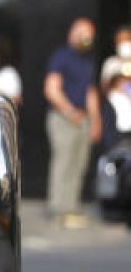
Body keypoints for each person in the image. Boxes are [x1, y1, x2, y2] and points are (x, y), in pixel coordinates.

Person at [44, 17, 103, 228]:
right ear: (72, 33)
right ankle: (58, 209)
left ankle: (71, 208)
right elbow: (51, 89)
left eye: (89, 34)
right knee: (64, 162)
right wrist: (70, 112)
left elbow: (90, 92)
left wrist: (95, 120)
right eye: (82, 32)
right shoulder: (62, 57)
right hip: (63, 118)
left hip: (83, 119)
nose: (86, 38)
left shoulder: (88, 60)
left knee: (79, 164)